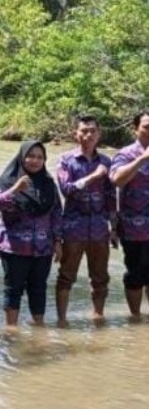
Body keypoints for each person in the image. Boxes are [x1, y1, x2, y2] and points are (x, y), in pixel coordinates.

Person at [54, 115, 117, 327]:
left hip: (99, 228)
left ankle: (97, 316)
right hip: (73, 227)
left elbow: (110, 197)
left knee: (100, 277)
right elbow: (66, 190)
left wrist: (114, 227)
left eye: (93, 131)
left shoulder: (106, 161)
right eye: (84, 131)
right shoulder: (66, 160)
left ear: (99, 134)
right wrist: (92, 177)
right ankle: (62, 319)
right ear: (76, 134)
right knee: (66, 276)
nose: (88, 134)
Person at [110, 110, 149, 321]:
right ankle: (135, 318)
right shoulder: (126, 154)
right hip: (134, 228)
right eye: (146, 127)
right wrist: (142, 159)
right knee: (136, 275)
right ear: (135, 129)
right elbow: (117, 179)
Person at [0, 141, 62, 328]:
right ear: (22, 157)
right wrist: (15, 189)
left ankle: (39, 327)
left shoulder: (49, 184)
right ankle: (11, 329)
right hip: (14, 248)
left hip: (43, 248)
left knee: (39, 288)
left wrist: (58, 241)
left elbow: (57, 213)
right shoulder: (8, 180)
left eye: (40, 157)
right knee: (13, 290)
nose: (35, 161)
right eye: (31, 156)